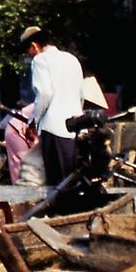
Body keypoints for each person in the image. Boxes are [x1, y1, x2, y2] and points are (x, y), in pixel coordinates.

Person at [20, 25, 84, 186]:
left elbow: (44, 94)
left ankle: (60, 211)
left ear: (34, 46)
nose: (29, 55)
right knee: (70, 178)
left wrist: (33, 121)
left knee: (56, 183)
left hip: (53, 127)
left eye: (28, 50)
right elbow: (81, 94)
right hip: (74, 126)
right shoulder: (71, 59)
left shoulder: (40, 60)